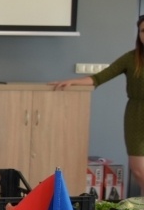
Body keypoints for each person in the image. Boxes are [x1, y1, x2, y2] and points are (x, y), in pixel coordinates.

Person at [51, 15, 144, 197]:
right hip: (136, 114)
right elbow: (99, 77)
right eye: (142, 31)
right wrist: (73, 82)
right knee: (139, 170)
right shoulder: (131, 58)